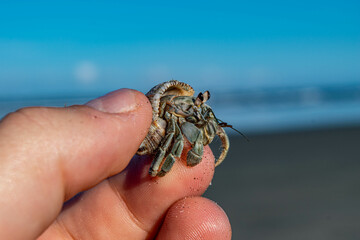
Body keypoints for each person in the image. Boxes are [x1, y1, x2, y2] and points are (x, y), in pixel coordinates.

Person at [0, 89, 231, 239]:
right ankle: (161, 165)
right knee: (176, 138)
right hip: (166, 122)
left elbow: (205, 119)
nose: (198, 105)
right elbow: (178, 136)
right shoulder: (172, 115)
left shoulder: (192, 107)